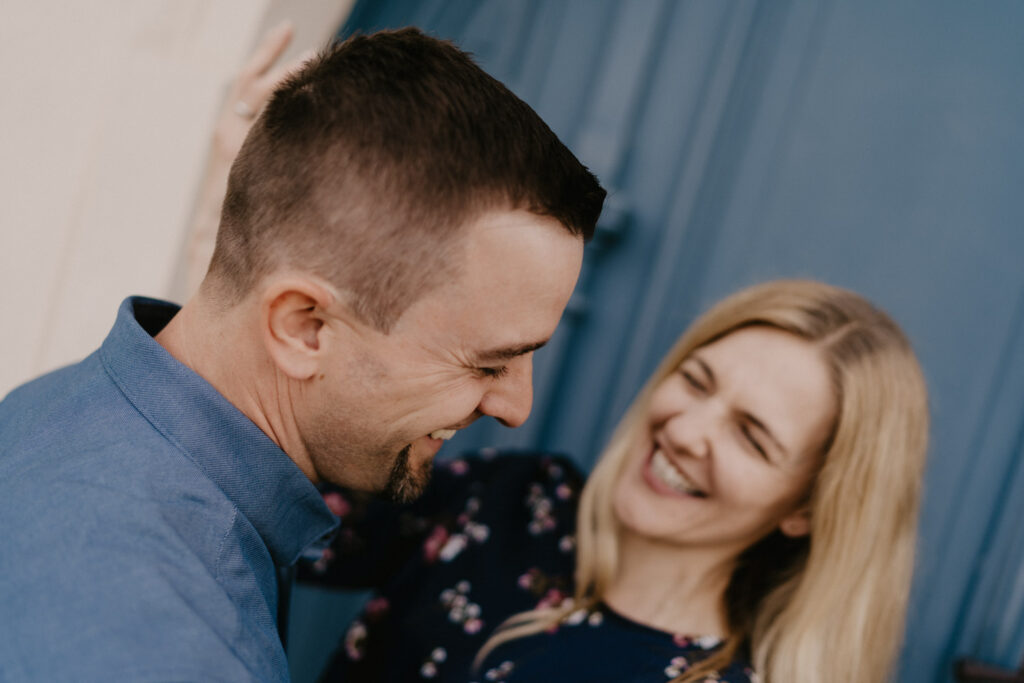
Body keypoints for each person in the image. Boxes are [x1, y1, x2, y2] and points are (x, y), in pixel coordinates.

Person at [0, 27, 605, 681]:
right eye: (489, 362)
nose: (518, 406)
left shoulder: (69, 407)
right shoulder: (171, 646)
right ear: (304, 328)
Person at [299, 279, 930, 683]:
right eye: (697, 381)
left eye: (751, 436)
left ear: (806, 509)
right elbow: (278, 502)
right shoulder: (515, 504)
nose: (685, 431)